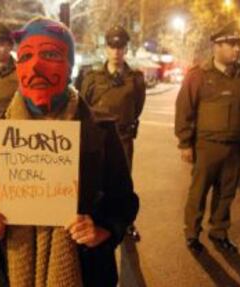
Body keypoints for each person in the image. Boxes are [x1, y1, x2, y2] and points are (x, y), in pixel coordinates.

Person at [0, 18, 139, 287]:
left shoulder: (100, 129)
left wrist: (102, 230)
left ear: (69, 67)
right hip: (6, 271)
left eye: (51, 54)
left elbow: (124, 200)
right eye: (26, 55)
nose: (36, 66)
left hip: (85, 269)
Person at [175, 22, 240, 254]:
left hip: (236, 148)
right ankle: (192, 234)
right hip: (205, 147)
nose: (236, 49)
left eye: (238, 44)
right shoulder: (198, 75)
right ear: (216, 46)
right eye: (231, 44)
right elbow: (184, 109)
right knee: (198, 193)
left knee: (226, 195)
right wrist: (185, 143)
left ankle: (219, 232)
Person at [79, 25, 146, 241]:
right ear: (106, 48)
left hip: (123, 137)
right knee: (93, 180)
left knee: (122, 183)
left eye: (121, 47)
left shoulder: (135, 79)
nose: (116, 51)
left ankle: (125, 222)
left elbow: (138, 107)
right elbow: (83, 107)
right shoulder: (91, 78)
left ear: (126, 49)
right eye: (112, 46)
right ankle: (94, 219)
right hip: (95, 139)